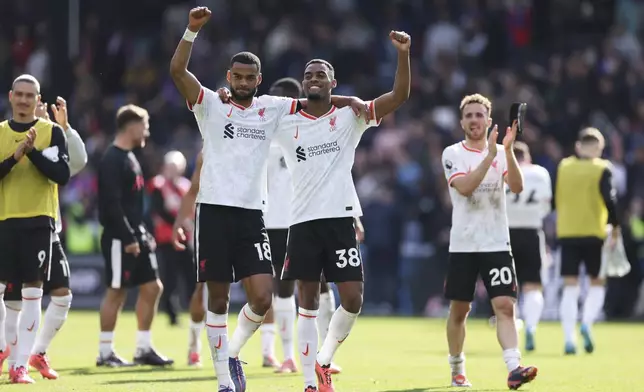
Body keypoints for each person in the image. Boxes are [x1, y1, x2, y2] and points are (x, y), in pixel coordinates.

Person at [169, 7, 365, 392]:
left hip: (252, 215)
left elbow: (315, 101)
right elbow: (178, 72)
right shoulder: (211, 103)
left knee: (261, 298)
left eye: (249, 77)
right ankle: (225, 381)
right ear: (228, 77)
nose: (242, 83)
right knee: (219, 298)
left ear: (259, 80)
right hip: (213, 212)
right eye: (236, 77)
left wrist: (349, 99)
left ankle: (232, 352)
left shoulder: (271, 109)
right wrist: (191, 31)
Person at [273, 30, 411, 392]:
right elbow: (248, 110)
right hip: (301, 221)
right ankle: (308, 382)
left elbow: (399, 96)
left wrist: (403, 55)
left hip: (339, 221)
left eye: (321, 75)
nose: (313, 79)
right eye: (308, 75)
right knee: (306, 301)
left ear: (332, 82)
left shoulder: (352, 117)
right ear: (303, 83)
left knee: (353, 298)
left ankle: (323, 360)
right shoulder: (287, 120)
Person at [441, 94, 537, 390]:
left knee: (505, 306)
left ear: (489, 120)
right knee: (460, 311)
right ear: (462, 122)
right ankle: (457, 367)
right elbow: (466, 188)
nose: (474, 120)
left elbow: (518, 187)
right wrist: (490, 156)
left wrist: (506, 150)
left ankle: (513, 367)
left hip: (497, 242)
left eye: (479, 115)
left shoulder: (499, 152)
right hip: (464, 244)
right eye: (469, 115)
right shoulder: (452, 153)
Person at [4, 96, 88, 381]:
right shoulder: (10, 135)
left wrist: (66, 129)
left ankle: (32, 353)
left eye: (41, 108)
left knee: (61, 294)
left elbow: (76, 164)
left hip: (46, 226)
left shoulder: (53, 139)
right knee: (15, 299)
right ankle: (11, 351)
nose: (39, 114)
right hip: (16, 223)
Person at [96, 104, 173, 367]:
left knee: (153, 287)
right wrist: (128, 237)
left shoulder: (130, 157)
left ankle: (143, 349)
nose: (147, 131)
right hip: (120, 237)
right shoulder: (112, 159)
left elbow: (132, 205)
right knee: (116, 292)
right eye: (145, 125)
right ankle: (105, 353)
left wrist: (142, 233)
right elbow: (111, 205)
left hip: (136, 234)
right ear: (132, 127)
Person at [555, 127, 621, 355]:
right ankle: (586, 322)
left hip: (567, 233)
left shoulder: (563, 167)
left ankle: (568, 339)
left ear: (578, 146)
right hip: (594, 233)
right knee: (597, 283)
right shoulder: (602, 168)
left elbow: (556, 199)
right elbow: (609, 199)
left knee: (570, 287)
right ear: (599, 148)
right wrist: (615, 226)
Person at [505, 141, 551, 352]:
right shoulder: (541, 173)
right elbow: (546, 206)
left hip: (505, 233)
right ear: (528, 156)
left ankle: (513, 328)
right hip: (532, 231)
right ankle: (531, 327)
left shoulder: (503, 171)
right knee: (533, 285)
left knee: (507, 287)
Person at [148, 151, 194, 326]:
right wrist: (180, 222)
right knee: (170, 278)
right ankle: (172, 314)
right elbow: (158, 210)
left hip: (185, 238)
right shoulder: (158, 185)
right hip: (166, 240)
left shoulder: (185, 186)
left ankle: (195, 312)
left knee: (191, 277)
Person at [171, 152, 207, 367]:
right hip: (210, 225)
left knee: (259, 288)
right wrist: (179, 223)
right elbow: (194, 189)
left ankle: (267, 350)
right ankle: (194, 346)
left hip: (246, 221)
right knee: (203, 287)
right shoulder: (207, 151)